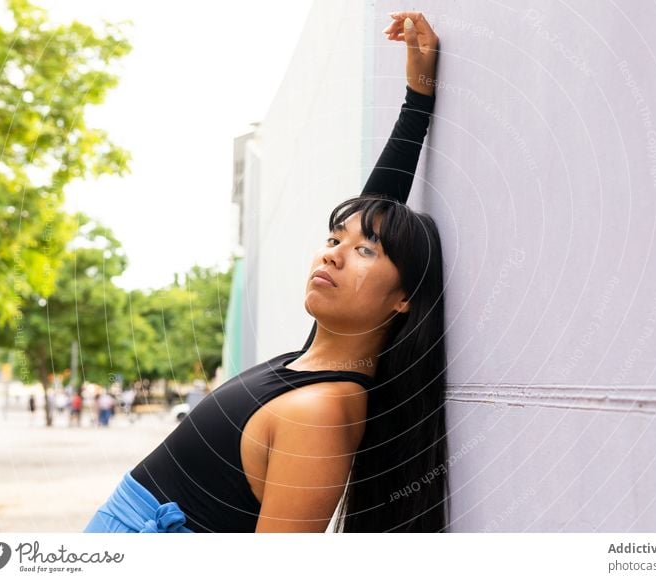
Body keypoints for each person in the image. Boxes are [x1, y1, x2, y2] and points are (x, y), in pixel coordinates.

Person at [83, 11, 449, 534]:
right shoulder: (310, 366)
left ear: (404, 298)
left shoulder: (322, 409)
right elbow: (379, 214)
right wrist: (418, 95)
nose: (333, 255)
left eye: (365, 252)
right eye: (332, 239)